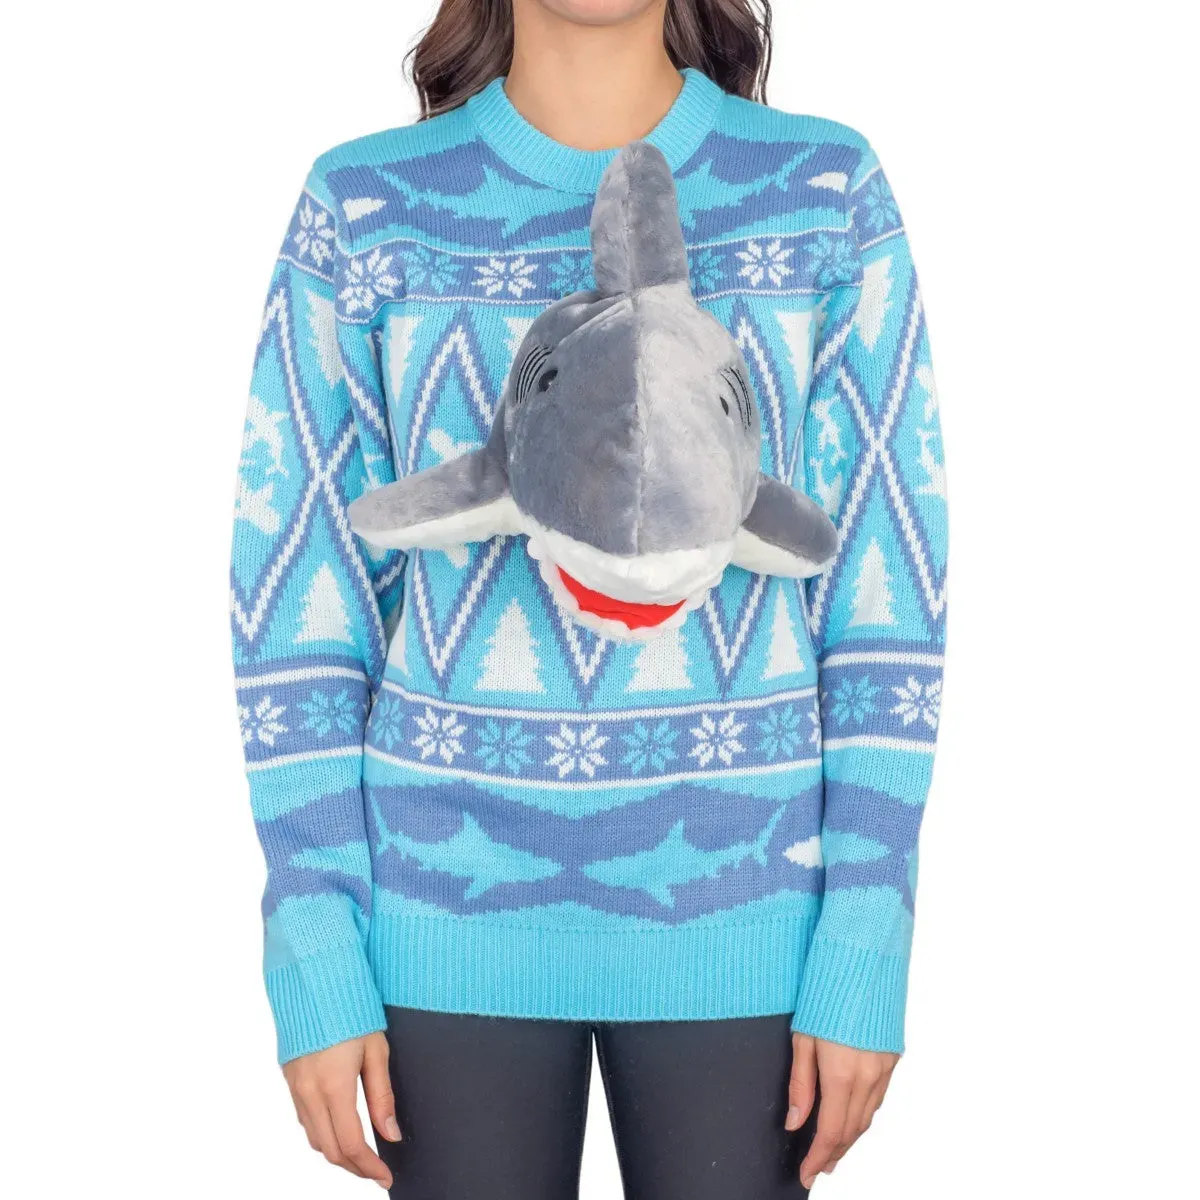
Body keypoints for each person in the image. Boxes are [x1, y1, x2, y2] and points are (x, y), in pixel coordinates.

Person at [229, 1, 947, 1195]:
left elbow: (889, 589)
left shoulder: (824, 192)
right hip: (441, 921)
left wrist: (867, 933)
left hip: (750, 917)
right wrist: (314, 942)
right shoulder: (364, 206)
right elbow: (296, 594)